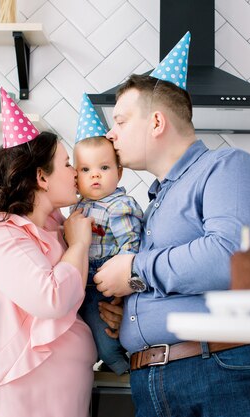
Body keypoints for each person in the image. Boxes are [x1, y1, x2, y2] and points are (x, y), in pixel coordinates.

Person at [93, 33, 250, 417]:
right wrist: (131, 310)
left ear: (157, 122)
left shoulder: (228, 167)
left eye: (120, 120)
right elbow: (177, 273)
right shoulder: (155, 200)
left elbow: (229, 257)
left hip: (219, 372)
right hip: (153, 380)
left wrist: (133, 270)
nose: (110, 134)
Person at [0, 89, 123, 417]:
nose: (76, 173)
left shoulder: (60, 229)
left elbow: (80, 296)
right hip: (21, 397)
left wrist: (112, 312)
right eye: (67, 164)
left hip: (67, 392)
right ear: (41, 177)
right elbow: (51, 298)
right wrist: (80, 244)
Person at [71, 94, 144, 375]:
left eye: (104, 168)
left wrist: (124, 275)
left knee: (105, 330)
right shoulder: (78, 206)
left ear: (119, 172)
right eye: (85, 169)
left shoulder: (118, 206)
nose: (95, 176)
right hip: (84, 279)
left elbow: (131, 244)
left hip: (107, 279)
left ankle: (119, 364)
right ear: (75, 176)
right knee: (89, 324)